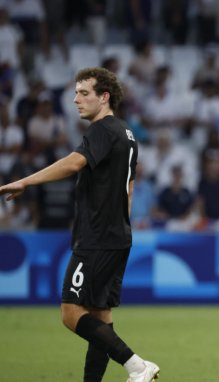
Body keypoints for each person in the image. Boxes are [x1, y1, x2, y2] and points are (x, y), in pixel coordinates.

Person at [0, 67, 159, 382]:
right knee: (100, 317)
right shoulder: (128, 134)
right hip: (117, 236)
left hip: (98, 237)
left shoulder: (104, 129)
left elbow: (74, 163)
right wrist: (121, 227)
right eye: (75, 93)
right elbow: (128, 189)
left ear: (104, 97)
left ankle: (137, 366)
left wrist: (25, 182)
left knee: (71, 312)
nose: (76, 100)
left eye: (84, 93)